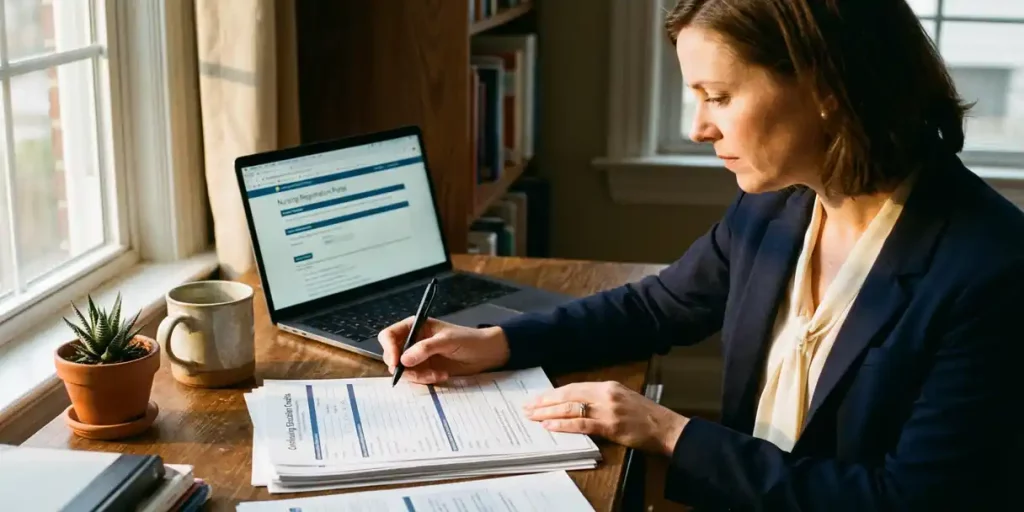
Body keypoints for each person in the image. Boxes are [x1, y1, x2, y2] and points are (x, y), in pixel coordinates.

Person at [379, 0, 1024, 509]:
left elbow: (910, 502)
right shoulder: (781, 202)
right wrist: (497, 342)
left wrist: (670, 432)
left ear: (828, 86)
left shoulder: (990, 271)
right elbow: (660, 305)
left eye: (718, 96)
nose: (698, 127)